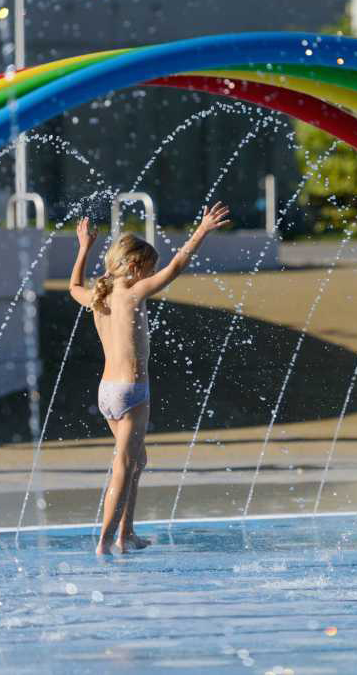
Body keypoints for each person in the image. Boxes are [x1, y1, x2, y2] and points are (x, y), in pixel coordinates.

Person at [68, 203, 231, 554]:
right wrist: (201, 231)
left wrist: (83, 249)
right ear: (133, 267)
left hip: (107, 393)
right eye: (149, 269)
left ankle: (127, 534)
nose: (152, 274)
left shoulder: (99, 297)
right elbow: (177, 266)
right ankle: (105, 543)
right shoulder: (132, 292)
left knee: (138, 460)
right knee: (124, 466)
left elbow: (73, 286)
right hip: (132, 391)